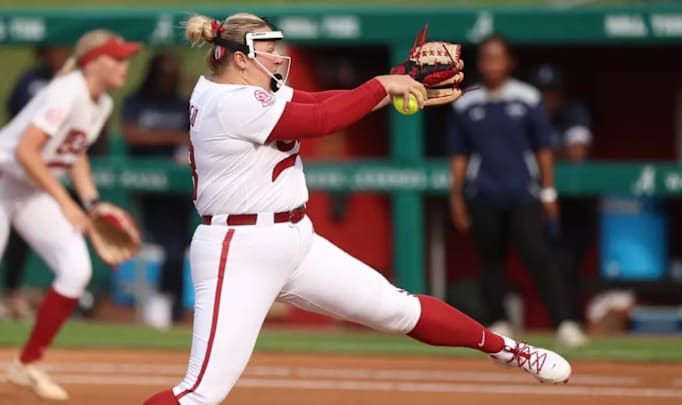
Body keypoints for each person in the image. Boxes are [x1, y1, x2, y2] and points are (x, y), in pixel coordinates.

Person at [143, 13, 571, 405]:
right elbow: (322, 121)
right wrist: (381, 86)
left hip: (295, 239)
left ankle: (508, 350)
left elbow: (318, 101)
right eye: (268, 50)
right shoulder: (229, 102)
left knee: (397, 307)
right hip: (238, 249)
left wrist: (395, 79)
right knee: (200, 394)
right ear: (239, 59)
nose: (277, 57)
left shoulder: (241, 89)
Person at [0, 30, 140, 401]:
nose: (126, 65)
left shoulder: (102, 102)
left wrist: (91, 202)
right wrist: (66, 202)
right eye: (118, 58)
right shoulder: (66, 90)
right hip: (4, 179)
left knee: (76, 269)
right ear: (94, 61)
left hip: (30, 188)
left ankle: (26, 364)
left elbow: (74, 151)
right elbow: (27, 152)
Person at [446, 35, 587, 348]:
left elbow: (543, 150)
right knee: (490, 261)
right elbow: (458, 155)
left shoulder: (528, 98)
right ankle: (499, 322)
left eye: (497, 58)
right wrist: (456, 195)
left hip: (523, 193)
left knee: (540, 257)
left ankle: (564, 322)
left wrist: (548, 192)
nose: (491, 65)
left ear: (510, 62)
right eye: (485, 58)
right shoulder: (467, 101)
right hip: (483, 194)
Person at [122, 52, 193, 328]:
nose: (168, 80)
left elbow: (197, 136)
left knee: (184, 246)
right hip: (148, 191)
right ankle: (167, 305)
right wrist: (175, 136)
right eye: (163, 73)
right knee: (171, 247)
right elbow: (132, 134)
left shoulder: (183, 103)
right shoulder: (137, 101)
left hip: (180, 190)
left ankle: (174, 305)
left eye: (172, 75)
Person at [2, 46, 71, 321]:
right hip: (9, 173)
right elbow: (23, 148)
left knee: (75, 266)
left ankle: (15, 296)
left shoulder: (88, 98)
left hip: (31, 180)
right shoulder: (33, 80)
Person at [528, 63, 595, 336]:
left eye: (551, 92)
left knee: (567, 263)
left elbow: (577, 153)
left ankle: (572, 322)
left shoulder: (572, 112)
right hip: (535, 201)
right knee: (547, 261)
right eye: (540, 93)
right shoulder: (525, 114)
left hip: (574, 205)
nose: (546, 99)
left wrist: (539, 154)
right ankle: (565, 322)